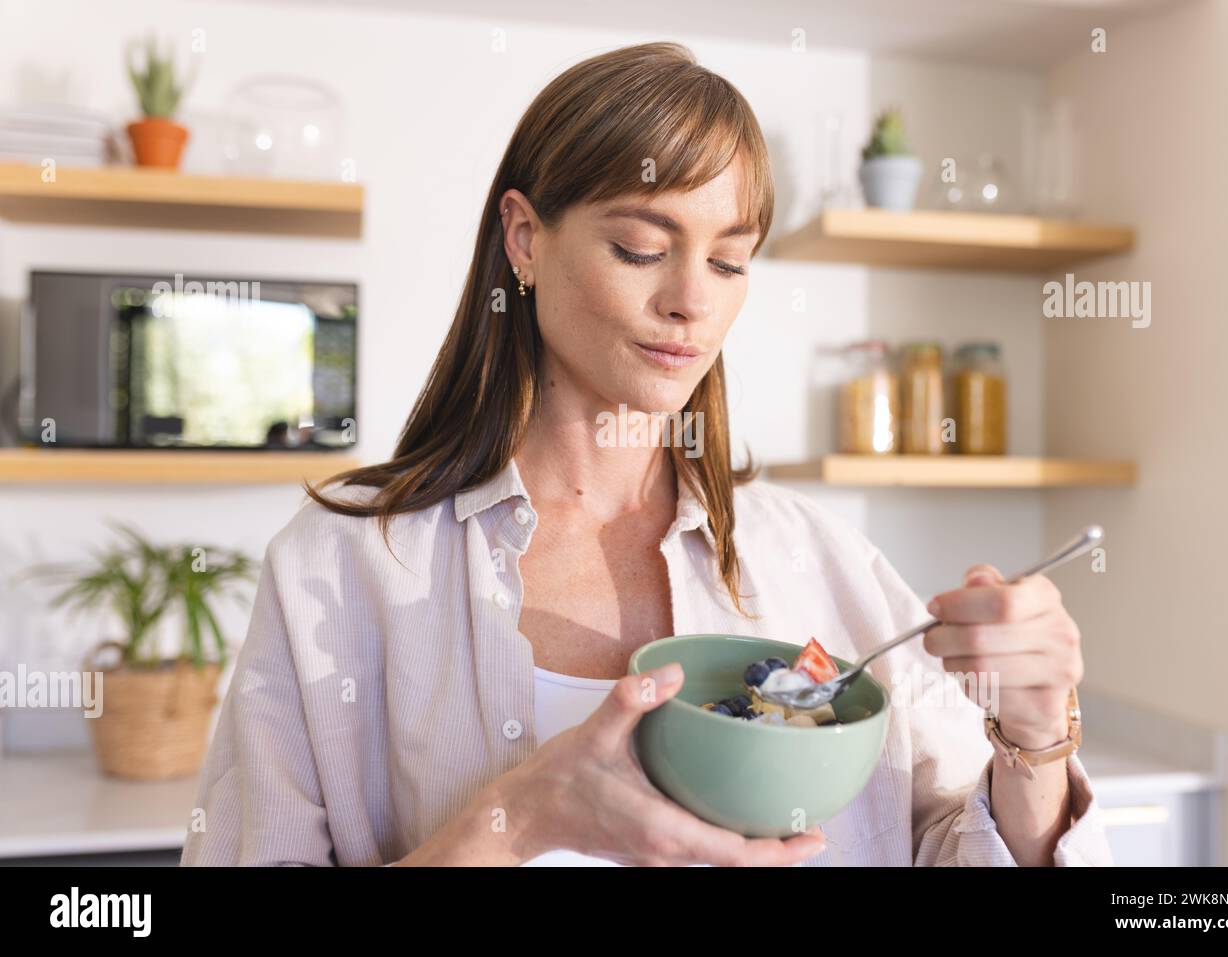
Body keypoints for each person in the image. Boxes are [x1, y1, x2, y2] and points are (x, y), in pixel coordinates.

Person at [181, 42, 1111, 867]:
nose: (690, 303)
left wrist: (1035, 740)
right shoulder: (340, 571)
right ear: (524, 239)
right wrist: (517, 818)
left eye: (728, 261)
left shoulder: (819, 564)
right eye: (639, 247)